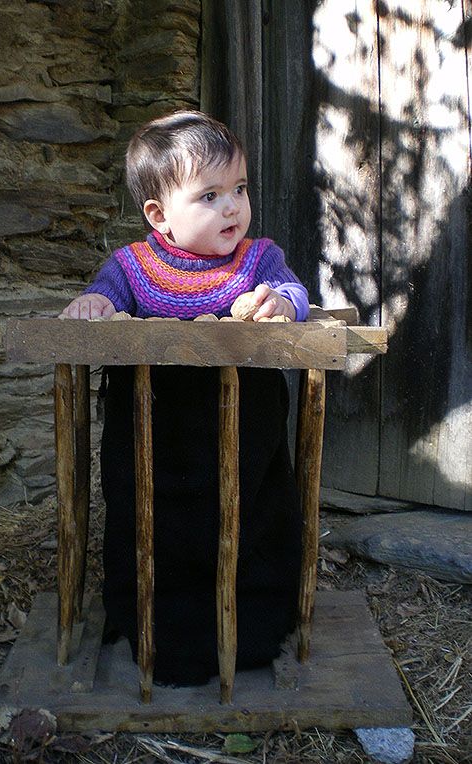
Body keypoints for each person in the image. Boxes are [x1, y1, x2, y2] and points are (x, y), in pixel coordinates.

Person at [61, 110, 310, 686]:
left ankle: (252, 627)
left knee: (250, 514)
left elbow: (296, 292)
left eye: (240, 190)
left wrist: (280, 303)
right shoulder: (132, 266)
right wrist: (93, 305)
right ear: (159, 214)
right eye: (210, 195)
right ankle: (156, 626)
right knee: (150, 519)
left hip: (245, 420)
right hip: (155, 427)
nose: (233, 207)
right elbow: (101, 293)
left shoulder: (258, 260)